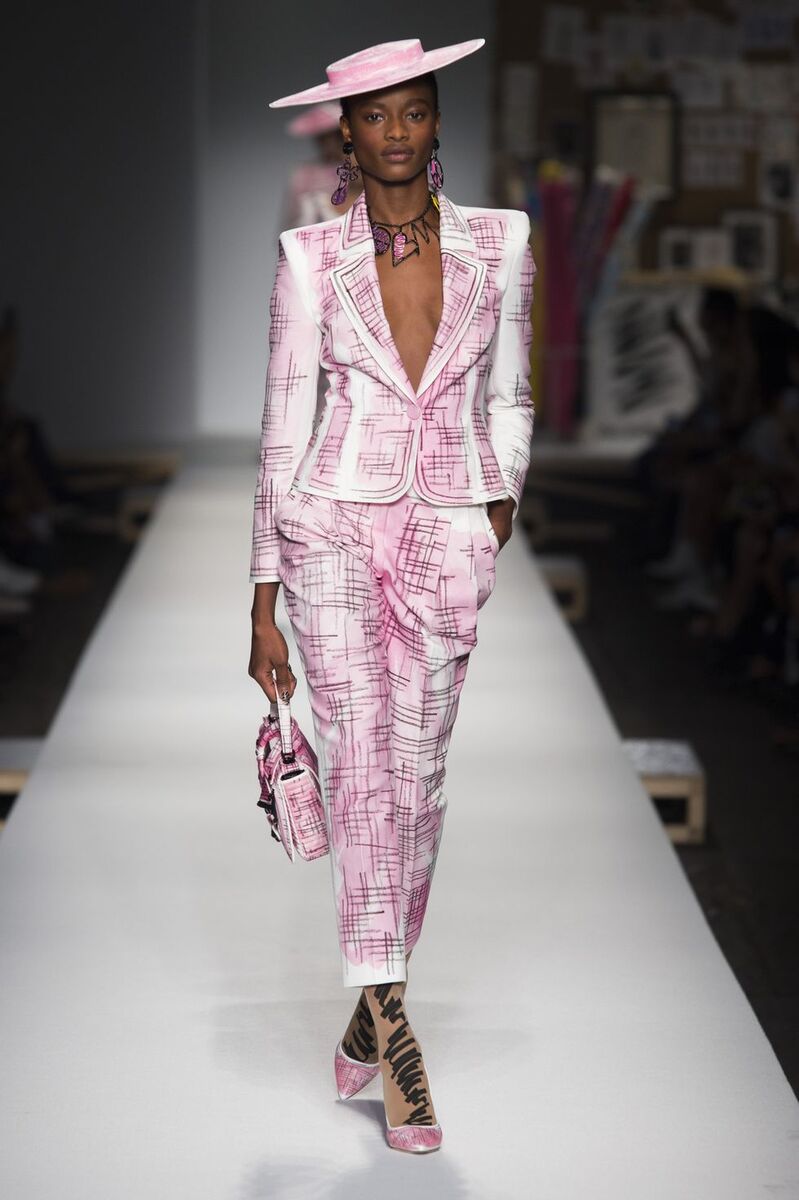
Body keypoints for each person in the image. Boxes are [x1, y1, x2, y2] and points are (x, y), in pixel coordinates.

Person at [247, 37, 536, 1154]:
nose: (397, 132)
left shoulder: (501, 242)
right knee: (362, 764)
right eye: (376, 117)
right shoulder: (309, 255)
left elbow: (511, 393)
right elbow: (283, 423)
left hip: (447, 532)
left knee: (417, 780)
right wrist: (262, 595)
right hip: (330, 525)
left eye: (414, 111)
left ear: (436, 120)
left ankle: (368, 1012)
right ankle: (398, 1035)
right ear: (349, 134)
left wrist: (494, 507)